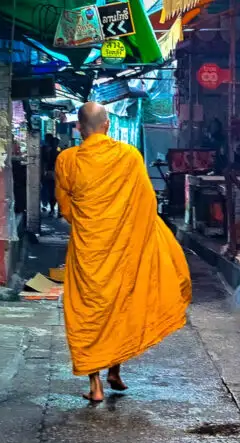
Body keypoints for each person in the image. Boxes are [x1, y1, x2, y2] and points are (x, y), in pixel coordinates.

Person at [54, 102, 193, 403]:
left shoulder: (67, 161)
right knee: (120, 305)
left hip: (87, 249)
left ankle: (97, 385)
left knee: (89, 310)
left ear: (79, 128)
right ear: (107, 126)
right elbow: (146, 203)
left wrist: (90, 224)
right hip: (121, 247)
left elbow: (65, 207)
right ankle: (115, 370)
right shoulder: (128, 156)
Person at [41, 134, 60, 217]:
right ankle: (54, 209)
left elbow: (44, 162)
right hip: (55, 173)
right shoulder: (58, 151)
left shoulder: (45, 149)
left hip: (48, 173)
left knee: (48, 190)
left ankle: (48, 206)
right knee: (53, 191)